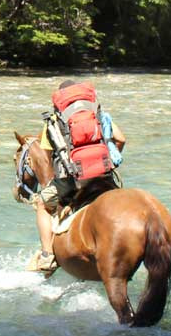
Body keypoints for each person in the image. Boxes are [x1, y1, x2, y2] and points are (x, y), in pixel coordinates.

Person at [27, 79, 127, 275]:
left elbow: (47, 159)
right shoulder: (99, 114)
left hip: (73, 180)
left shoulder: (54, 122)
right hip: (104, 176)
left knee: (41, 204)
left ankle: (47, 255)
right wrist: (110, 162)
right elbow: (121, 139)